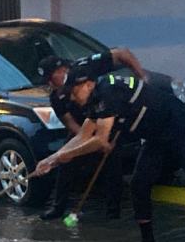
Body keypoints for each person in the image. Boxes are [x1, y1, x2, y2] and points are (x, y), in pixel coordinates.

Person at [33, 67, 185, 242]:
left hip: (181, 128)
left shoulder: (108, 92)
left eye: (73, 92)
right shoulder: (95, 98)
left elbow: (100, 140)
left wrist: (65, 156)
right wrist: (52, 159)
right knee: (139, 184)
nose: (72, 98)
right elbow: (83, 135)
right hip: (155, 135)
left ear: (87, 84)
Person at [36, 50, 146, 221]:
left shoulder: (86, 68)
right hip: (84, 129)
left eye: (51, 79)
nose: (50, 84)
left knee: (112, 163)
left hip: (109, 121)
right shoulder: (57, 97)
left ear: (62, 71)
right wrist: (88, 144)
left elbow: (122, 53)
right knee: (65, 161)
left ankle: (113, 212)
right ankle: (58, 207)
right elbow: (72, 125)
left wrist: (142, 76)